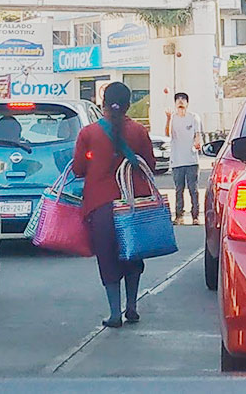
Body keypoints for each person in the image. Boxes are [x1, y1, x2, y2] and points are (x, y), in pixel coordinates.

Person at [73, 82, 157, 328]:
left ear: (103, 104)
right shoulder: (139, 131)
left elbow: (78, 169)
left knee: (108, 259)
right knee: (132, 255)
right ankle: (132, 307)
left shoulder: (88, 133)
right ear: (129, 104)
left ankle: (114, 314)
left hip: (101, 206)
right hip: (133, 204)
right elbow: (149, 165)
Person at [166, 92, 202, 225]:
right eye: (178, 100)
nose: (180, 101)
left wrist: (197, 143)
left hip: (192, 160)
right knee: (178, 190)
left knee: (193, 189)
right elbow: (168, 133)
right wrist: (168, 118)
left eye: (183, 99)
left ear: (187, 103)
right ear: (175, 103)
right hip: (177, 160)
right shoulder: (173, 118)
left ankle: (195, 216)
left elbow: (197, 134)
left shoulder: (193, 117)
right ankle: (179, 216)